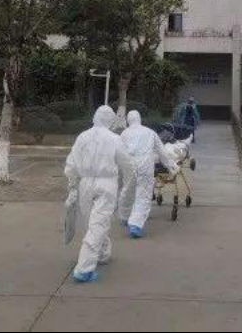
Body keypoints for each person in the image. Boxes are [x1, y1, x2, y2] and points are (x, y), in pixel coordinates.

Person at [64, 105, 132, 283]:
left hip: (85, 183)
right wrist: (127, 185)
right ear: (110, 121)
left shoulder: (82, 137)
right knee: (98, 223)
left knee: (92, 223)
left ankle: (102, 253)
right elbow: (127, 164)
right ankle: (84, 269)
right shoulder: (114, 139)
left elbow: (71, 164)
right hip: (106, 184)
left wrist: (72, 185)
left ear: (95, 117)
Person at [118, 110, 178, 238]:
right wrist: (172, 166)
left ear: (128, 120)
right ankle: (135, 225)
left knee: (127, 191)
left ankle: (125, 217)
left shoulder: (124, 134)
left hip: (129, 166)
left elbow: (119, 153)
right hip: (145, 167)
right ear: (139, 119)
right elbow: (162, 152)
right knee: (143, 195)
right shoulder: (150, 132)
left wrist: (118, 171)